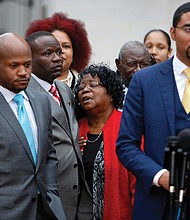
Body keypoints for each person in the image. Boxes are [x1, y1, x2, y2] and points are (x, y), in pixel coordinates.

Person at [116, 2, 190, 220]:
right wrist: (160, 176)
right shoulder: (145, 80)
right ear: (173, 33)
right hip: (157, 203)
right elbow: (126, 144)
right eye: (189, 29)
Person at [25, 31, 92, 220]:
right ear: (29, 59)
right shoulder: (25, 93)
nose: (57, 58)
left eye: (58, 52)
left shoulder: (63, 88)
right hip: (47, 194)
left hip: (76, 189)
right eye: (48, 54)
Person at [0, 32, 66, 220]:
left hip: (46, 210)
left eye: (27, 65)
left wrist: (51, 192)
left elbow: (49, 155)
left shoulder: (41, 101)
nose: (23, 72)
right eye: (14, 66)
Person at [74, 63, 136, 220]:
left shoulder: (128, 126)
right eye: (81, 87)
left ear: (111, 93)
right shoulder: (74, 129)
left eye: (93, 85)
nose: (85, 90)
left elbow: (139, 180)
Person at [25, 12, 92, 90]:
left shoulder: (83, 86)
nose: (59, 52)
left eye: (66, 46)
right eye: (49, 51)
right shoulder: (25, 86)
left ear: (75, 52)